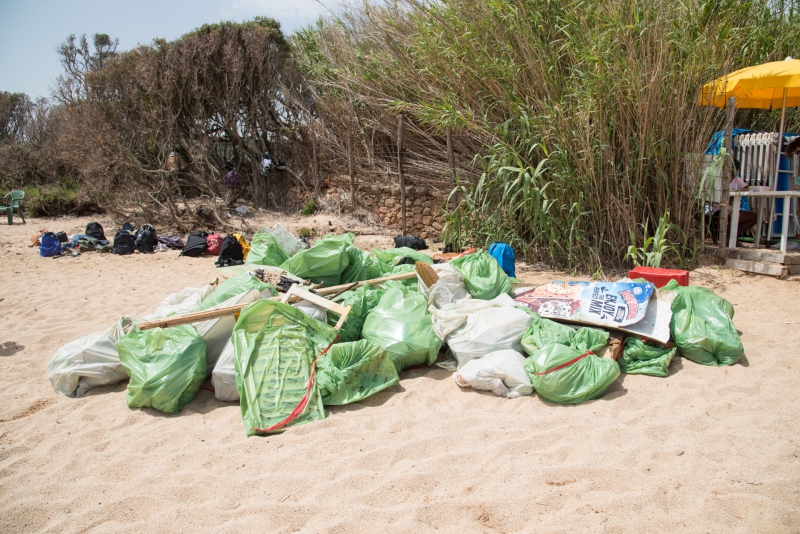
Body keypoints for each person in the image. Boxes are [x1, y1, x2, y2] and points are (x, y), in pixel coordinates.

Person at [709, 158, 758, 244]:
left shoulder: (736, 180)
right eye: (732, 170)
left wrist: (736, 193)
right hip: (718, 210)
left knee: (755, 216)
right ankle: (729, 239)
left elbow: (746, 187)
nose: (734, 172)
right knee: (734, 216)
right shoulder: (718, 180)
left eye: (736, 170)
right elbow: (715, 199)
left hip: (733, 210)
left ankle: (732, 236)